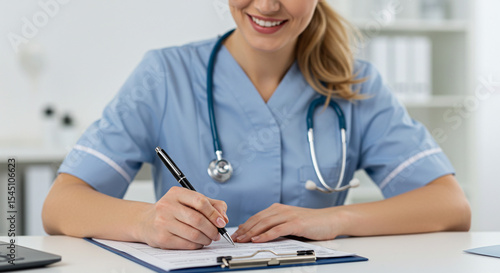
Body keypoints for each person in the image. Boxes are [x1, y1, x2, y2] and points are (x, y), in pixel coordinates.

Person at [42, 0, 471, 250]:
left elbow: (450, 207)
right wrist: (144, 223)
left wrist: (334, 220)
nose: (266, 5)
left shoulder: (355, 85)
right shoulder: (164, 75)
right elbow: (60, 206)